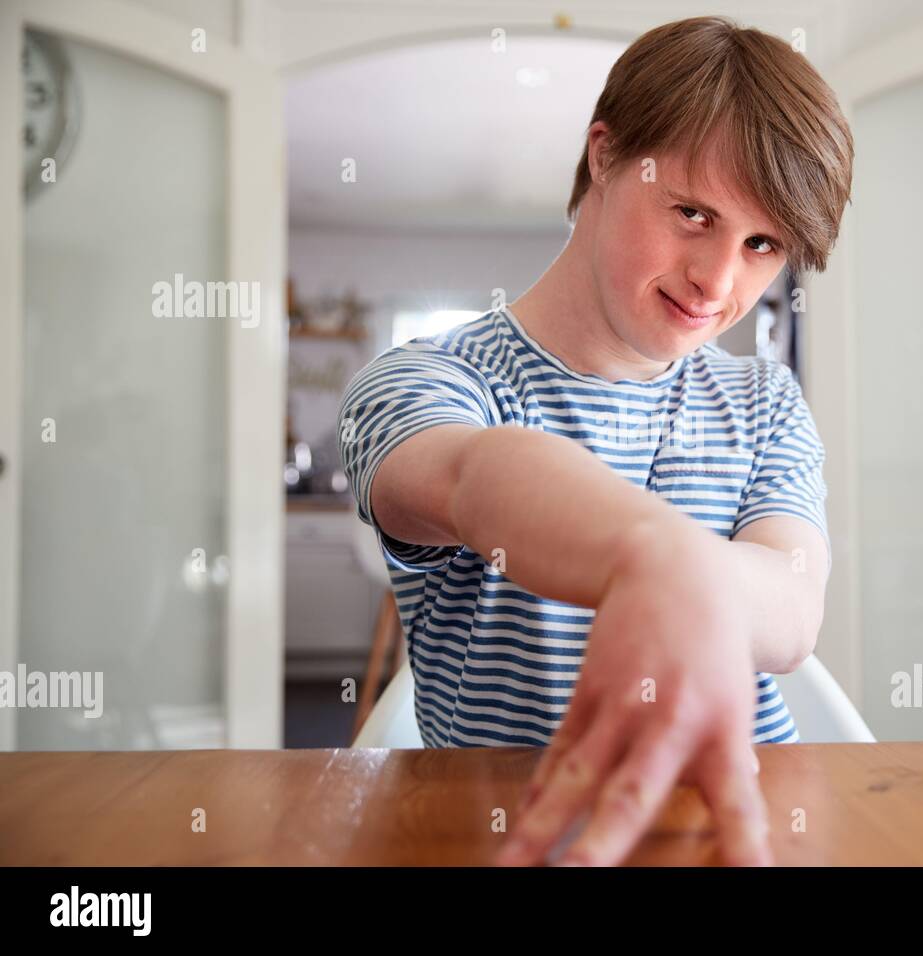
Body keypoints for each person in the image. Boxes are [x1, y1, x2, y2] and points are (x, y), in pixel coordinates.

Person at [336, 14, 853, 866]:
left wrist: (671, 571)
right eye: (692, 213)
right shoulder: (426, 382)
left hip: (726, 834)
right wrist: (660, 556)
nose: (718, 282)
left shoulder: (764, 401)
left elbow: (792, 611)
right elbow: (473, 477)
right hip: (505, 836)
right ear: (606, 156)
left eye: (762, 245)